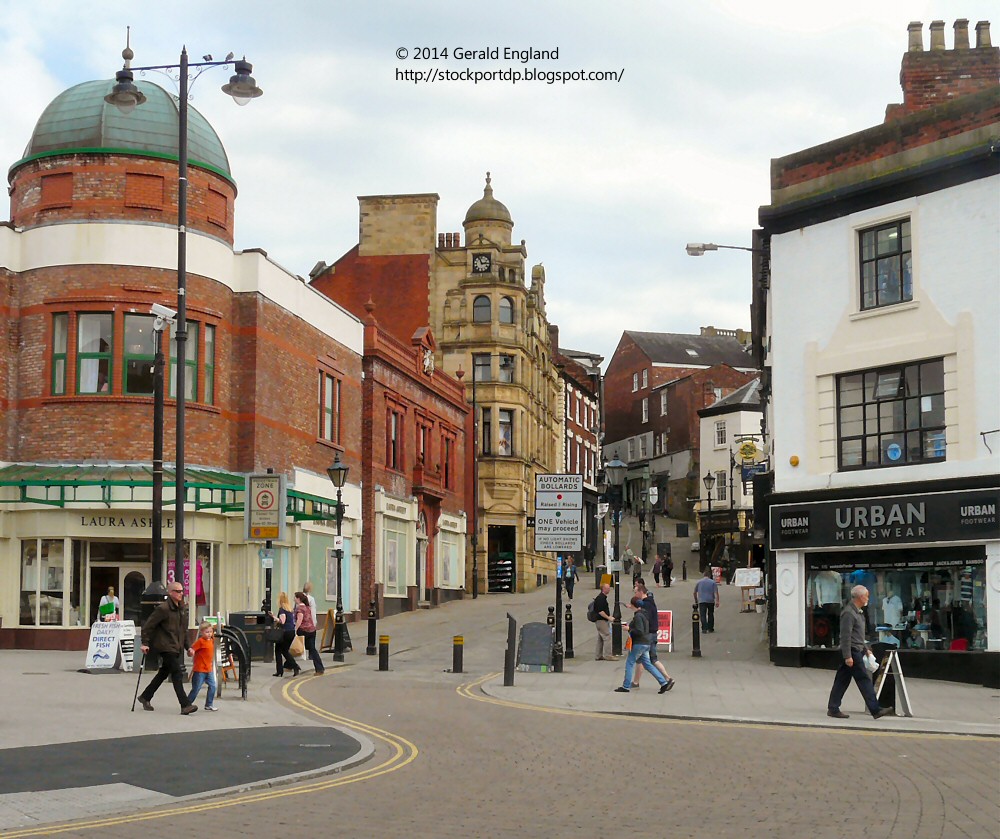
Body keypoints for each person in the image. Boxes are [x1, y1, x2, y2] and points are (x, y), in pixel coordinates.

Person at [827, 585, 894, 720]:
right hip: (851, 651)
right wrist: (847, 656)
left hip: (856, 649)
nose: (868, 598)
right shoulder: (849, 613)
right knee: (863, 679)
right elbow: (845, 636)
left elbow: (858, 635)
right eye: (866, 596)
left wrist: (866, 649)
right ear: (860, 597)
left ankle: (833, 708)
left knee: (842, 680)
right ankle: (875, 709)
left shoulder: (857, 612)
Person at [137, 582, 197, 715]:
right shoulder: (163, 609)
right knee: (177, 673)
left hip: (176, 646)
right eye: (178, 591)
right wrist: (145, 642)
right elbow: (148, 626)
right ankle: (185, 704)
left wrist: (188, 647)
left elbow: (184, 631)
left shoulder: (182, 609)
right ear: (170, 593)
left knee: (163, 672)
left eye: (182, 591)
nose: (181, 593)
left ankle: (145, 696)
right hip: (165, 646)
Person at [614, 596, 670, 694]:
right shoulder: (644, 614)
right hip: (646, 643)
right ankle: (663, 682)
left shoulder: (638, 616)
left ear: (633, 605)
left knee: (630, 663)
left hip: (639, 643)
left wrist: (629, 629)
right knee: (648, 664)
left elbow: (640, 631)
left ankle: (626, 686)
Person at [630, 581, 675, 690]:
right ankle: (636, 682)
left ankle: (667, 678)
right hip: (652, 633)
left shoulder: (646, 604)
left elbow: (644, 619)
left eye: (636, 592)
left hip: (649, 634)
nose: (635, 595)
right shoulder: (650, 602)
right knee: (642, 659)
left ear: (641, 592)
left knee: (651, 659)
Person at [188, 621, 219, 711]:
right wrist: (191, 651)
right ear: (202, 632)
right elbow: (192, 649)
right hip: (200, 669)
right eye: (207, 632)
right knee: (196, 688)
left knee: (213, 686)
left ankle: (209, 704)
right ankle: (187, 703)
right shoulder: (200, 641)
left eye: (210, 632)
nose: (209, 634)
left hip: (209, 669)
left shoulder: (212, 640)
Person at [269, 592, 300, 678]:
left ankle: (281, 671)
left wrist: (273, 617)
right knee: (284, 651)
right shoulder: (290, 609)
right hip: (291, 632)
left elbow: (282, 621)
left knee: (278, 651)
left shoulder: (282, 609)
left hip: (285, 632)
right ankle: (294, 667)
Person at [294, 590, 325, 674]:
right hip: (312, 630)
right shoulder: (307, 607)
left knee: (290, 646)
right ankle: (319, 668)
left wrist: (295, 629)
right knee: (312, 649)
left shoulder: (299, 608)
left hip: (303, 631)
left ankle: (290, 665)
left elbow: (299, 619)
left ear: (298, 599)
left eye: (295, 598)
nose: (294, 599)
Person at [593, 582, 617, 661]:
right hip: (601, 620)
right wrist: (609, 617)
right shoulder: (601, 599)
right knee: (607, 636)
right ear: (603, 589)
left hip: (600, 620)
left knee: (600, 638)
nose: (609, 589)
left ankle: (598, 655)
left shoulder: (601, 597)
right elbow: (600, 611)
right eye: (607, 588)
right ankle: (608, 655)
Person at [694, 568, 720, 633]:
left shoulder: (699, 582)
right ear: (709, 575)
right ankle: (710, 628)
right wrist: (717, 601)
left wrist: (696, 600)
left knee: (703, 615)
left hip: (702, 600)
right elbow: (716, 593)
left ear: (703, 575)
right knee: (710, 614)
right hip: (710, 600)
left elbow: (694, 592)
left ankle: (704, 628)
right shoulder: (713, 582)